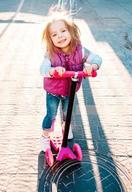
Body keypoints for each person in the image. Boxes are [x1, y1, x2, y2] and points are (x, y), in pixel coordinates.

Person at [40, 13, 102, 152]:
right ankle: (45, 137)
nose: (60, 36)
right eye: (54, 34)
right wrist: (53, 70)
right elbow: (42, 69)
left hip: (70, 90)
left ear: (71, 31)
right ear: (50, 39)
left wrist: (93, 67)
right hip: (53, 92)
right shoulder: (51, 53)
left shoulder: (80, 51)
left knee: (67, 113)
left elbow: (97, 58)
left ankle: (65, 128)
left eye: (63, 31)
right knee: (51, 115)